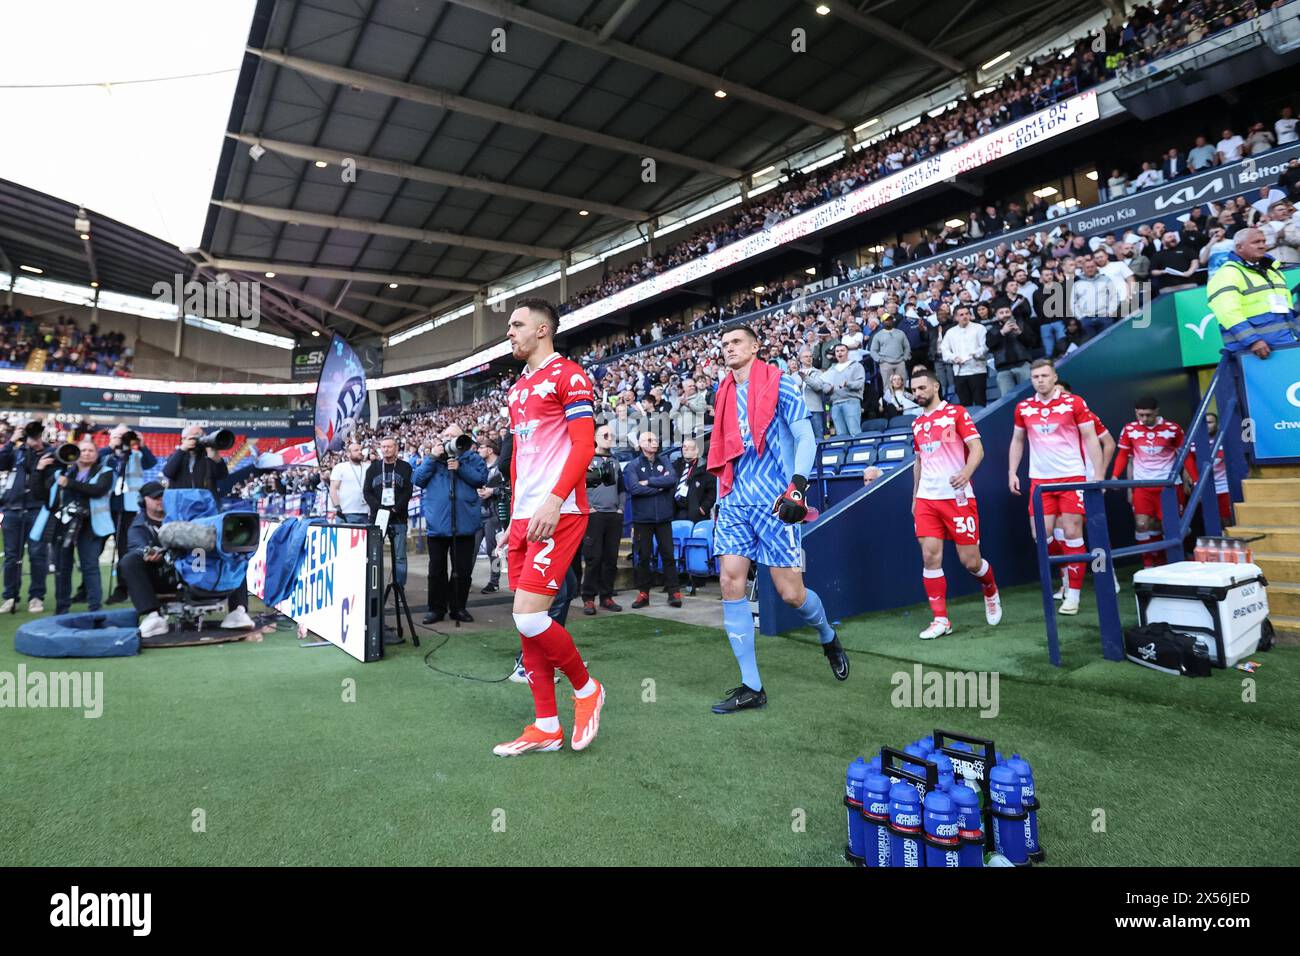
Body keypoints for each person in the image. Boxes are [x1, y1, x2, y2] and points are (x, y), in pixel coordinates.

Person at [705, 324, 850, 715]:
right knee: (729, 581)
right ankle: (752, 686)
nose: (729, 348)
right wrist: (721, 499)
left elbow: (806, 437)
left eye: (736, 342)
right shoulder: (722, 393)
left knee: (790, 594)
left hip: (776, 500)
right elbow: (724, 455)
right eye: (724, 344)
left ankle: (827, 634)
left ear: (755, 346)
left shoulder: (781, 384)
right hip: (735, 500)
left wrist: (798, 487)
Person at [495, 298, 605, 757]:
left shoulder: (570, 375)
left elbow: (584, 447)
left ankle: (586, 688)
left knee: (529, 615)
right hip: (525, 517)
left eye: (517, 325)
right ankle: (546, 726)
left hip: (558, 514)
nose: (510, 333)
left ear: (543, 330)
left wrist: (554, 501)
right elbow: (521, 459)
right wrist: (513, 520)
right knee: (526, 625)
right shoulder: (518, 388)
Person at [907, 371, 1001, 640]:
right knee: (929, 556)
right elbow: (919, 462)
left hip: (957, 497)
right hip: (927, 498)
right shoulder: (917, 424)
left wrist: (967, 472)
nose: (918, 393)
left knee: (970, 562)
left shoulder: (956, 413)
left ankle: (990, 587)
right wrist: (914, 497)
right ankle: (941, 619)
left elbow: (977, 448)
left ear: (936, 386)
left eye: (922, 388)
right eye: (914, 390)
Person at [1007, 360, 1105, 616]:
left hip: (1072, 477)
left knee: (1073, 533)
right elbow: (1017, 440)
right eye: (1035, 376)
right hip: (1040, 481)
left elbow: (1091, 438)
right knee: (1042, 536)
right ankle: (1065, 573)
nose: (1040, 380)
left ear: (1054, 377)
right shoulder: (1024, 407)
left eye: (1044, 375)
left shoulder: (1074, 403)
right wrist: (1012, 472)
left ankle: (1073, 594)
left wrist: (1098, 475)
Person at [122, 482, 253, 638]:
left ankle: (238, 611)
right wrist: (151, 554)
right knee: (130, 561)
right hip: (166, 573)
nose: (160, 500)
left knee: (233, 553)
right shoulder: (139, 526)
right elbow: (138, 547)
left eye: (162, 497)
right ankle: (153, 615)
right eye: (155, 498)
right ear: (143, 501)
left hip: (197, 568)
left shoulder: (193, 520)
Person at [413, 426, 487, 624]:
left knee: (462, 570)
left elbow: (481, 479)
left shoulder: (472, 458)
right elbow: (418, 479)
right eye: (446, 436)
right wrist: (431, 458)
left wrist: (460, 467)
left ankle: (458, 607)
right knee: (436, 570)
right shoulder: (432, 460)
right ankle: (435, 609)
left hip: (464, 524)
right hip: (437, 525)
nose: (449, 440)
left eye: (453, 436)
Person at [1112, 397, 1196, 569]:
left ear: (1157, 411)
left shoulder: (1173, 429)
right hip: (1142, 486)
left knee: (1169, 527)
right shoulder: (1129, 429)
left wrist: (1195, 478)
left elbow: (1185, 455)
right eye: (1140, 415)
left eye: (1148, 415)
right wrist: (1114, 475)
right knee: (1142, 524)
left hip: (1169, 487)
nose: (1143, 419)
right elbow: (1123, 454)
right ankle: (1149, 564)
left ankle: (1173, 563)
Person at [34, 440, 114, 615]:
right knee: (62, 567)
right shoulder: (63, 471)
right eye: (82, 450)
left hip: (91, 525)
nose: (86, 453)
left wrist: (69, 483)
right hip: (63, 524)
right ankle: (62, 608)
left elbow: (97, 490)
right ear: (75, 454)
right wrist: (39, 470)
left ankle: (95, 609)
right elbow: (39, 494)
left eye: (90, 450)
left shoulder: (106, 472)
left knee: (90, 566)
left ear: (97, 454)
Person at [1206, 227, 1300, 359]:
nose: (1262, 246)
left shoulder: (1273, 272)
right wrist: (1252, 340)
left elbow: (1287, 309)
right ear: (1239, 247)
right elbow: (1227, 312)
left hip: (1287, 344)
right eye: (1256, 242)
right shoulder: (1227, 273)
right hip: (1254, 351)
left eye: (1263, 241)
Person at [623, 430, 682, 608]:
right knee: (643, 556)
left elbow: (672, 479)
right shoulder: (633, 466)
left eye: (655, 439)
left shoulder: (665, 461)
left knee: (669, 555)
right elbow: (634, 489)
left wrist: (648, 482)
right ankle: (643, 593)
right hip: (643, 520)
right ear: (641, 444)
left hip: (664, 518)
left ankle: (674, 592)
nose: (654, 442)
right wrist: (659, 486)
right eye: (649, 440)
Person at [101, 425, 157, 605]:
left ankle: (123, 588)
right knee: (95, 548)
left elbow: (151, 463)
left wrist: (141, 444)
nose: (123, 439)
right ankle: (86, 588)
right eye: (119, 436)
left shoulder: (137, 455)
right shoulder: (107, 455)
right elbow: (98, 460)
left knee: (125, 550)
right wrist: (113, 446)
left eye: (125, 436)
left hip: (129, 508)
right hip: (104, 507)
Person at [580, 423, 624, 615]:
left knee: (611, 559)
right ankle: (588, 598)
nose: (609, 437)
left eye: (611, 435)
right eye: (605, 434)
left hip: (613, 516)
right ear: (595, 437)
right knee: (593, 558)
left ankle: (606, 596)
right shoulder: (586, 459)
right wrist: (588, 508)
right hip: (594, 516)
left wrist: (621, 508)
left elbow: (622, 488)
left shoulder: (615, 461)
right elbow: (579, 486)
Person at [363, 436, 414, 597]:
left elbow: (408, 491)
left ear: (396, 448)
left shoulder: (405, 467)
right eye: (383, 447)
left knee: (399, 556)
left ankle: (400, 589)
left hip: (398, 517)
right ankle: (374, 589)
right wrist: (380, 509)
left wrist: (395, 509)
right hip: (377, 518)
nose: (386, 449)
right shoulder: (373, 468)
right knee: (374, 555)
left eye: (389, 446)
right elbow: (367, 491)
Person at [985, 305, 1038, 399]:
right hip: (1003, 370)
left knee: (1030, 396)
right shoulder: (992, 330)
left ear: (1011, 313)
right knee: (1007, 399)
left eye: (1007, 312)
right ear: (996, 315)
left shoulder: (1021, 324)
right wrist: (1002, 332)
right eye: (1001, 313)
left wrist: (1019, 333)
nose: (1005, 315)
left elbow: (1033, 342)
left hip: (1023, 365)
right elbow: (989, 345)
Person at [940, 305, 989, 408]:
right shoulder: (950, 332)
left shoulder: (979, 328)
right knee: (965, 405)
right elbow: (945, 350)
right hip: (960, 373)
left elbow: (984, 347)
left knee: (980, 402)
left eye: (967, 314)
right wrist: (954, 358)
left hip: (978, 370)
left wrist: (974, 354)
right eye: (961, 315)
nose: (965, 316)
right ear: (956, 317)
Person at [473, 440, 505, 594]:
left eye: (481, 447)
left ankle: (494, 581)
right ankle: (465, 581)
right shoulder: (479, 466)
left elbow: (509, 486)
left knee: (494, 551)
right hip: (478, 513)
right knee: (471, 549)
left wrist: (492, 491)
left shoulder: (501, 466)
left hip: (494, 513)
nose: (478, 449)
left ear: (490, 450)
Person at [162, 425, 229, 496]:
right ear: (183, 440)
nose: (198, 440)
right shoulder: (177, 456)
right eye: (194, 437)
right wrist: (182, 449)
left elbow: (222, 476)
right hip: (182, 501)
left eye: (201, 436)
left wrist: (214, 456)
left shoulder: (208, 456)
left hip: (206, 502)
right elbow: (168, 473)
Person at [823, 342, 866, 436]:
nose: (839, 353)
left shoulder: (856, 366)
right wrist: (828, 389)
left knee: (854, 432)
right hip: (835, 404)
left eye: (842, 350)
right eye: (837, 351)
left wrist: (848, 383)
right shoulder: (831, 369)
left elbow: (860, 383)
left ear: (847, 353)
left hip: (851, 401)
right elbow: (824, 386)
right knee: (841, 435)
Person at [673, 436, 716, 525]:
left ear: (697, 451)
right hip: (675, 512)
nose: (686, 449)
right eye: (684, 447)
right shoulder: (675, 466)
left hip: (696, 515)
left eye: (690, 447)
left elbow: (712, 492)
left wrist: (703, 508)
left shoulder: (705, 468)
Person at [329, 442, 370, 523]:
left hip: (365, 512)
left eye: (361, 450)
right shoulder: (340, 467)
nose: (360, 452)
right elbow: (333, 489)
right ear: (348, 454)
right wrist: (337, 507)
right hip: (346, 512)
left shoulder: (368, 467)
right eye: (356, 450)